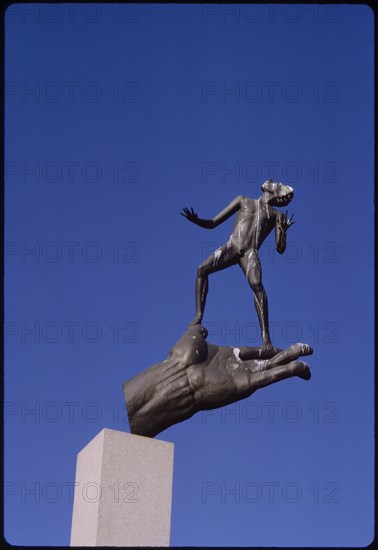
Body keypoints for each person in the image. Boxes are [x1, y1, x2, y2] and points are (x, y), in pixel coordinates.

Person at [181, 179, 295, 351]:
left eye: (277, 186)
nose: (271, 183)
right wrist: (197, 220)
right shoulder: (243, 200)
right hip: (232, 247)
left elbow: (280, 248)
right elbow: (213, 223)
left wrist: (284, 232)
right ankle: (198, 315)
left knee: (257, 285)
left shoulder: (276, 215)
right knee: (202, 269)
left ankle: (266, 339)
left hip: (250, 253)